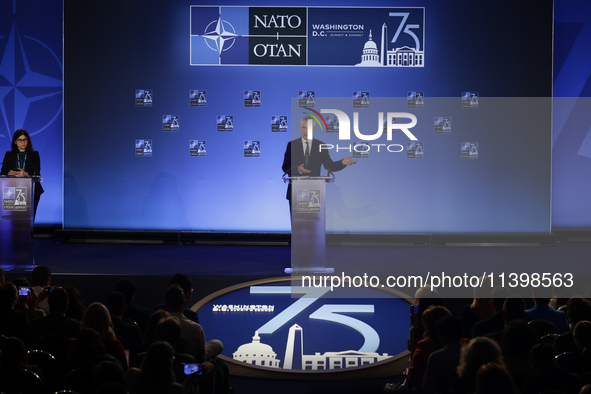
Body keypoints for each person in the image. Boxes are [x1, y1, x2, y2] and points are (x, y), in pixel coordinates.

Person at [282, 116, 357, 207]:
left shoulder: (321, 145)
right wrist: (298, 169)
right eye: (303, 127)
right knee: (298, 221)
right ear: (300, 128)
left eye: (309, 128)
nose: (306, 131)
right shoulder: (291, 145)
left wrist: (341, 163)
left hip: (314, 193)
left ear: (314, 129)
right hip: (295, 191)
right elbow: (285, 167)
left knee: (312, 221)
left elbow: (330, 166)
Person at [0, 129, 44, 219]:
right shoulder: (9, 155)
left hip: (32, 190)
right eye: (20, 140)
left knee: (28, 218)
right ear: (15, 142)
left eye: (25, 139)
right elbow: (3, 172)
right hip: (11, 190)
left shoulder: (34, 154)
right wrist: (9, 173)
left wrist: (26, 173)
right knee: (14, 219)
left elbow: (37, 171)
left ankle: (29, 232)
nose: (23, 142)